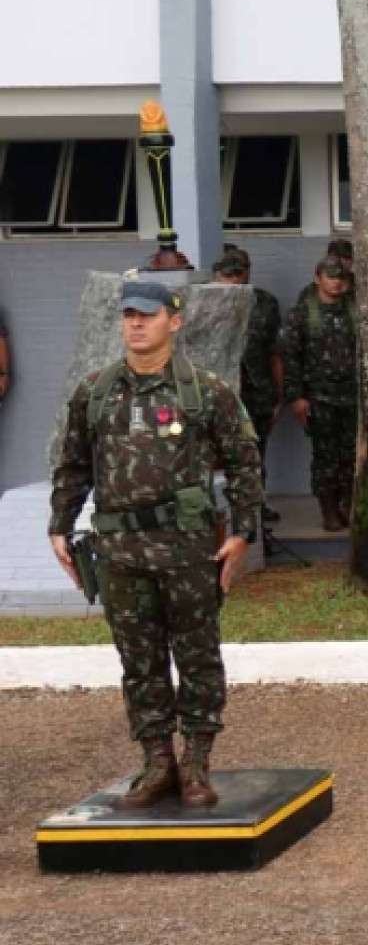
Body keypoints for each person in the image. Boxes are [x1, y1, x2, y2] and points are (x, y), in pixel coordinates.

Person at [48, 280, 263, 809]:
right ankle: (157, 761)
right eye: (128, 315)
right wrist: (60, 524)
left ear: (175, 320)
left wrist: (240, 534)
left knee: (197, 655)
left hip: (187, 548)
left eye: (146, 314)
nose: (135, 324)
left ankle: (196, 762)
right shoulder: (95, 391)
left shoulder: (204, 391)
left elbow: (243, 464)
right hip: (120, 551)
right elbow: (73, 464)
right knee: (138, 660)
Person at [281, 255, 360, 531]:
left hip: (352, 397)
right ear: (318, 278)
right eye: (331, 276)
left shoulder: (355, 311)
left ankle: (347, 505)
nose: (336, 282)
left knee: (352, 455)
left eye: (341, 277)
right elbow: (290, 357)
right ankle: (328, 509)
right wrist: (296, 397)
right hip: (319, 398)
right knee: (325, 456)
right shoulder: (302, 314)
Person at [211, 247, 281, 517]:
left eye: (240, 273)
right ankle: (227, 509)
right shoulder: (206, 303)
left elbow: (274, 351)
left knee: (255, 452)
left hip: (257, 392)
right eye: (229, 274)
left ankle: (257, 507)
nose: (235, 280)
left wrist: (278, 394)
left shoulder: (264, 303)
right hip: (219, 393)